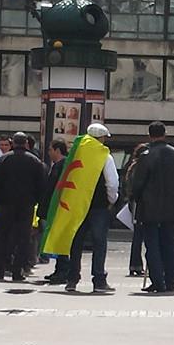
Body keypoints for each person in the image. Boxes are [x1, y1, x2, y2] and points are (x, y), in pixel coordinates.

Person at [131, 121, 174, 293]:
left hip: (149, 208)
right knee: (169, 245)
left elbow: (138, 184)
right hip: (172, 208)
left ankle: (158, 281)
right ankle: (171, 280)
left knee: (152, 246)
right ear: (165, 133)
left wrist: (134, 199)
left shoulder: (146, 156)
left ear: (149, 135)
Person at [66, 124, 120, 293]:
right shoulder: (105, 156)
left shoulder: (76, 153)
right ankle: (99, 280)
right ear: (101, 138)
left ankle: (72, 279)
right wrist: (112, 200)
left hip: (77, 205)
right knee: (99, 242)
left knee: (76, 242)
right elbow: (112, 183)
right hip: (98, 206)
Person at [0, 132, 45, 282]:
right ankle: (18, 271)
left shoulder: (3, 159)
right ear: (26, 143)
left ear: (13, 143)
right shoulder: (35, 161)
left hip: (6, 204)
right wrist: (38, 203)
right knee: (23, 238)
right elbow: (41, 186)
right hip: (26, 205)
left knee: (2, 237)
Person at [39, 139, 70, 285]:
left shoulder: (61, 166)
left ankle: (63, 270)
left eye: (51, 150)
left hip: (56, 208)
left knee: (59, 240)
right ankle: (59, 270)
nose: (49, 153)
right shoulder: (58, 165)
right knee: (57, 241)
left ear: (57, 150)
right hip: (55, 207)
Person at [124, 143, 148, 277]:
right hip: (139, 203)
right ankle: (136, 264)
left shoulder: (132, 167)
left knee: (137, 235)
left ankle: (135, 264)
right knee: (140, 235)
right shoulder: (139, 168)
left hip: (134, 203)